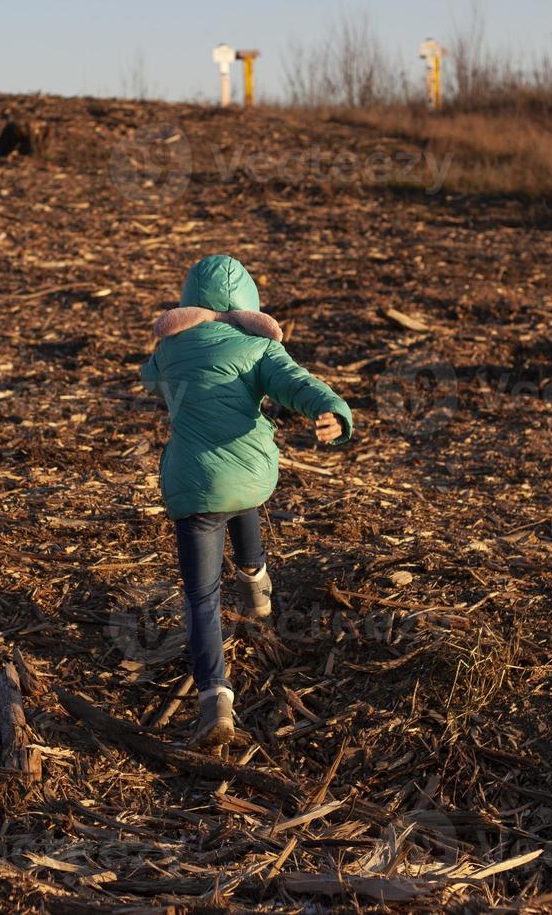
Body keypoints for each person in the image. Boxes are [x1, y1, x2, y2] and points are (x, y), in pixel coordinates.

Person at [140, 255, 354, 749]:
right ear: (249, 303)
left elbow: (150, 378)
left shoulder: (170, 349)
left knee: (201, 596)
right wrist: (331, 412)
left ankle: (214, 696)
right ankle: (257, 583)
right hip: (253, 473)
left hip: (192, 484)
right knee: (240, 497)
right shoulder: (260, 349)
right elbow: (301, 386)